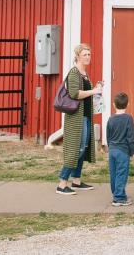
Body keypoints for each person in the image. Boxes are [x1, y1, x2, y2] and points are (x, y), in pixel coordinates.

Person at [55, 43, 103, 195]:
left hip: (85, 116)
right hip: (76, 118)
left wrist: (95, 88)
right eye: (85, 55)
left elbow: (86, 93)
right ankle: (62, 183)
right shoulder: (74, 73)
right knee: (77, 149)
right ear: (77, 56)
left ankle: (76, 180)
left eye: (89, 54)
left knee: (83, 148)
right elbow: (75, 94)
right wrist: (93, 90)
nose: (88, 57)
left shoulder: (84, 73)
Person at [105, 92, 134, 206]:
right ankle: (119, 198)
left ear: (114, 105)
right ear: (127, 105)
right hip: (123, 150)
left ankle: (117, 193)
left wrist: (110, 147)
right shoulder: (128, 118)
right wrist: (132, 151)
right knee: (122, 173)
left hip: (112, 149)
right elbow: (130, 137)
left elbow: (108, 135)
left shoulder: (111, 119)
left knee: (114, 173)